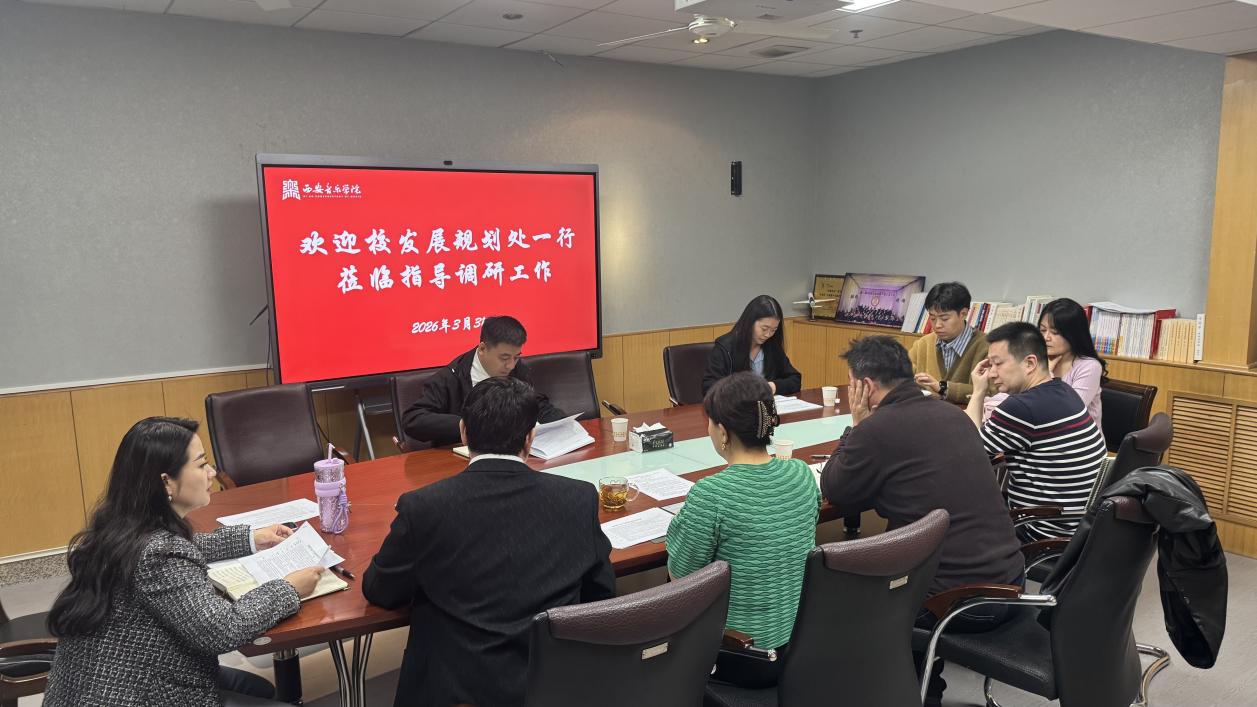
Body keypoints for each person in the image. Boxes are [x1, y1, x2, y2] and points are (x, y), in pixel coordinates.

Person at [364, 376, 615, 707]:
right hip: (549, 685)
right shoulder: (578, 498)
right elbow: (601, 595)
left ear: (464, 432)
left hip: (456, 692)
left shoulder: (423, 506)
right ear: (530, 438)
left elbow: (381, 590)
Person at [44, 417, 324, 707]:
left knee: (258, 689)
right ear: (166, 481)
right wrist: (288, 588)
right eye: (201, 465)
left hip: (96, 685)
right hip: (137, 694)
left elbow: (182, 546)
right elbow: (222, 630)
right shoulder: (159, 555)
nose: (211, 473)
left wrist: (252, 538)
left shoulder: (121, 529)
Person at [819, 336, 1025, 707]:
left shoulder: (878, 429)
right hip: (1012, 581)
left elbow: (836, 489)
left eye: (852, 384)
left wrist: (856, 425)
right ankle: (922, 686)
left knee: (837, 596)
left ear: (866, 386)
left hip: (960, 603)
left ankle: (906, 692)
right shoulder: (952, 414)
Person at [667, 372, 820, 688]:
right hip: (799, 645)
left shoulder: (711, 495)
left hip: (740, 654)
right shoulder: (801, 474)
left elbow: (680, 578)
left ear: (722, 431)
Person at [966, 322, 1108, 541]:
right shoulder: (1063, 390)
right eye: (990, 364)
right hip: (1078, 527)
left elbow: (968, 450)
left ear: (1030, 363)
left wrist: (978, 393)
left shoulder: (1021, 408)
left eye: (998, 364)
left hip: (1040, 532)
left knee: (956, 512)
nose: (991, 373)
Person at [402, 315, 566, 446]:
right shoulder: (450, 378)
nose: (510, 365)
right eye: (504, 358)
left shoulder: (517, 368)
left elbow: (534, 402)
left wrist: (564, 424)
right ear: (482, 349)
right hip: (462, 458)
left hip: (511, 452)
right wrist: (470, 424)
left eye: (516, 357)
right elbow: (413, 420)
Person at [984, 298, 1106, 426]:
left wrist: (1047, 375)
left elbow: (1066, 412)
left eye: (1055, 332)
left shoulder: (1089, 367)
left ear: (1073, 334)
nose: (1046, 337)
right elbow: (1009, 396)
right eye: (1042, 330)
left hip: (1074, 436)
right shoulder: (1034, 360)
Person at [702, 295, 801, 396]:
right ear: (750, 322)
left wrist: (773, 386)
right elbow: (709, 387)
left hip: (767, 404)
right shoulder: (725, 348)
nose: (768, 335)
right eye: (764, 329)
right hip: (736, 404)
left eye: (773, 330)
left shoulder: (772, 345)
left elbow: (795, 379)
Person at [909, 282, 989, 404]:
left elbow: (991, 393)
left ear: (963, 314)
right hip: (925, 412)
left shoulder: (986, 347)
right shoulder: (922, 345)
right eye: (932, 318)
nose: (937, 325)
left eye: (944, 319)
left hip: (965, 415)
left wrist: (944, 388)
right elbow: (901, 378)